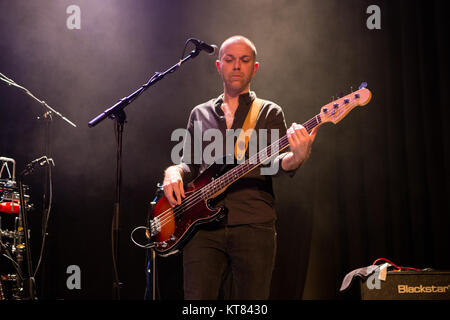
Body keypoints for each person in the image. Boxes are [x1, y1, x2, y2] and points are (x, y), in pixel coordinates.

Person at [162, 35, 317, 299]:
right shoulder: (199, 113)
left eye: (244, 60)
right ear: (219, 65)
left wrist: (297, 157)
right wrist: (173, 171)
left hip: (253, 224)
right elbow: (190, 163)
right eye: (230, 60)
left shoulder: (269, 112)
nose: (236, 66)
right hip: (202, 229)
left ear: (254, 68)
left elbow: (274, 164)